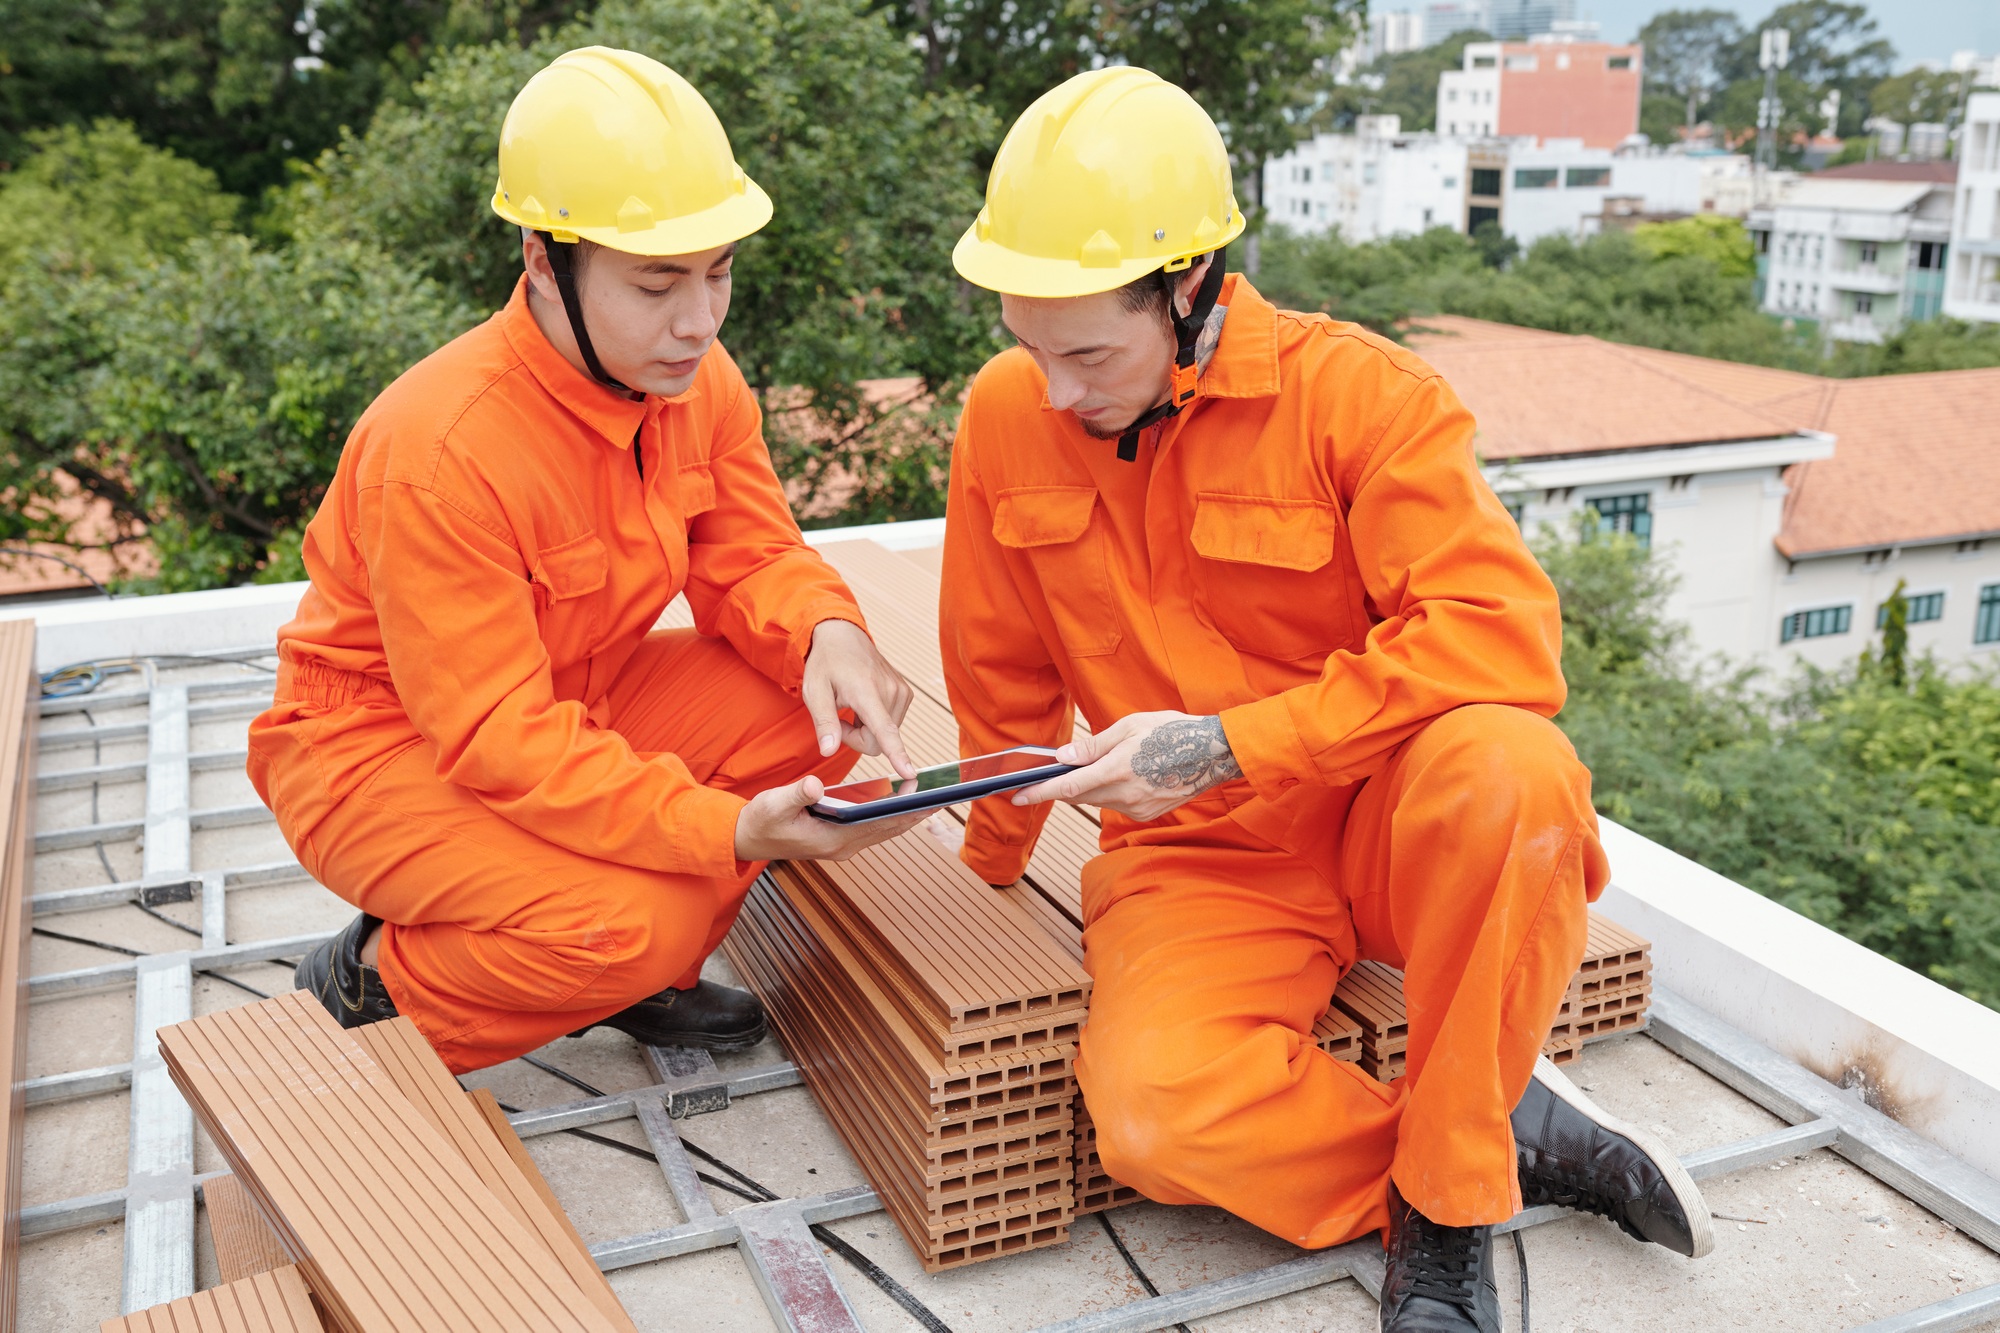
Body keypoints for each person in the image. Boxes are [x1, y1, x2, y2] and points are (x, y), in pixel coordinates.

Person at [940, 67, 1711, 1332]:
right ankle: (1481, 1141)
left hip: (1382, 824)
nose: (1056, 390)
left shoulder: (1366, 401)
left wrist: (1225, 743)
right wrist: (989, 853)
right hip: (1196, 862)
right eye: (1029, 345)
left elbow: (1498, 638)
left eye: (1086, 350)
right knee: (1150, 1116)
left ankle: (1451, 1230)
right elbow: (992, 654)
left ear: (1188, 288)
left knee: (1513, 769)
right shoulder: (1005, 414)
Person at [248, 47, 925, 1074]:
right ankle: (380, 979)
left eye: (718, 274)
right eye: (657, 283)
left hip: (575, 696)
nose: (697, 321)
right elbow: (496, 736)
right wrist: (725, 829)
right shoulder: (440, 448)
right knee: (636, 920)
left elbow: (751, 555)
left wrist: (827, 631)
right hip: (382, 747)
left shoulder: (696, 378)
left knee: (819, 714)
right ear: (541, 262)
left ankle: (614, 947)